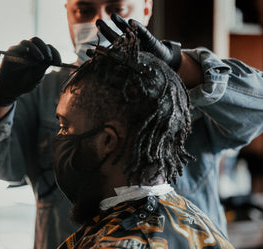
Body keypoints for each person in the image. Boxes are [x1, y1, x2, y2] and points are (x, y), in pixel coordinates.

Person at [0, 0, 263, 248]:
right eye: (84, 9)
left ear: (145, 9)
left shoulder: (184, 85)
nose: (99, 21)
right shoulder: (44, 92)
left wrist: (180, 64)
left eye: (116, 7)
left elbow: (261, 105)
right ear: (66, 9)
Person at [53, 34, 234, 249]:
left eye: (65, 127)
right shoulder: (198, 221)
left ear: (107, 141)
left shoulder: (119, 243)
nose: (59, 137)